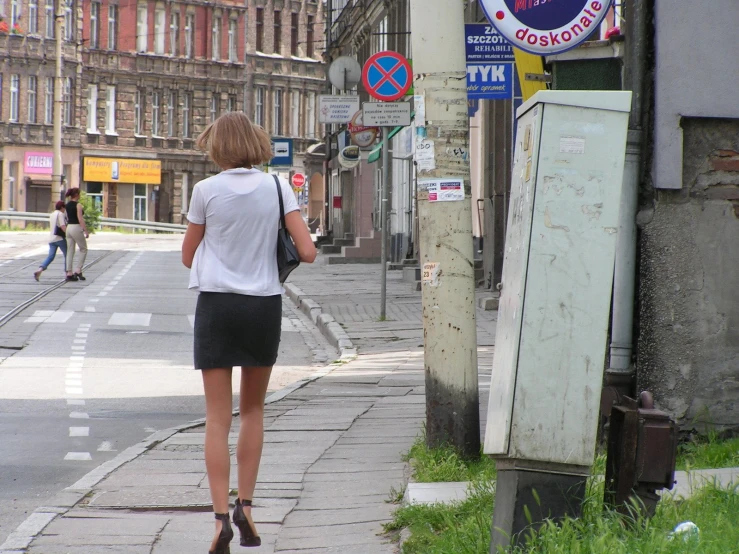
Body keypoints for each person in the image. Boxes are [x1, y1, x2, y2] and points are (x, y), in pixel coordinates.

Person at [181, 112, 316, 554]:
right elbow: (308, 252)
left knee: (217, 419)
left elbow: (188, 256)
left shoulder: (205, 191)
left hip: (217, 306)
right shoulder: (278, 187)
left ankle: (219, 519)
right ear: (258, 144)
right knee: (253, 411)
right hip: (263, 305)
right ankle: (247, 507)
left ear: (216, 146)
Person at [33, 201, 73, 281]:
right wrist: (69, 234)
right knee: (67, 255)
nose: (64, 210)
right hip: (60, 238)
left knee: (50, 256)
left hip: (51, 239)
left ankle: (40, 269)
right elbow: (62, 226)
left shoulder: (52, 214)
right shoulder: (60, 214)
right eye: (64, 208)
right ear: (62, 207)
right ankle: (67, 273)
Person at [64, 188, 90, 281]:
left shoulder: (66, 205)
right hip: (76, 227)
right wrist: (85, 230)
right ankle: (78, 270)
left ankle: (69, 272)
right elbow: (80, 219)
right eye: (79, 194)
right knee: (83, 249)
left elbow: (66, 217)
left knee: (70, 251)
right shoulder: (78, 205)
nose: (80, 195)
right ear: (76, 195)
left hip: (68, 228)